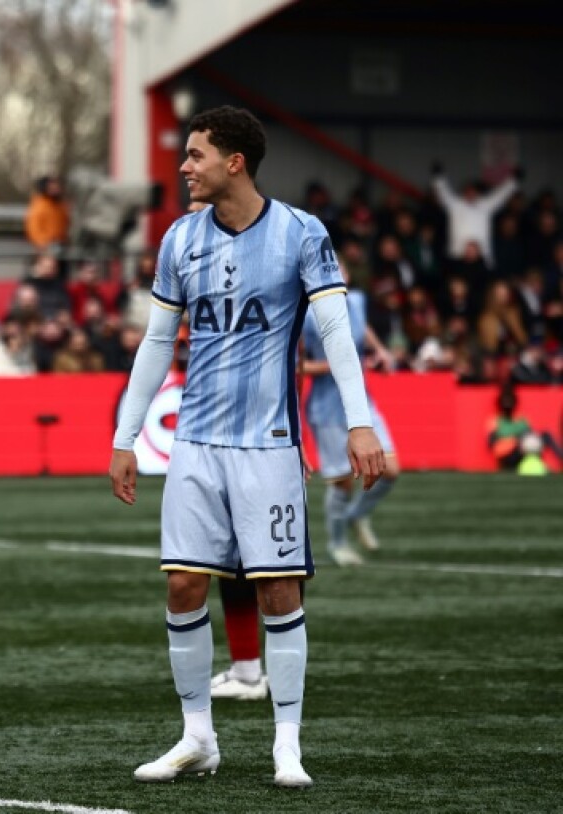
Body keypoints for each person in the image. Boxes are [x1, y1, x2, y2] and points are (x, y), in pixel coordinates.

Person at [109, 106, 385, 789]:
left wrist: (360, 421)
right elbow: (155, 343)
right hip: (197, 445)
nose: (184, 167)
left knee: (277, 592)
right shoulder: (179, 239)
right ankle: (198, 737)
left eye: (196, 155)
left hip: (268, 445)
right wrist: (125, 435)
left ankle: (286, 745)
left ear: (234, 161)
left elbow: (337, 335)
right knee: (181, 585)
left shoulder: (301, 234)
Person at [301, 269, 400, 566]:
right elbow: (296, 365)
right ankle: (337, 542)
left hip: (361, 400)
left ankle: (356, 516)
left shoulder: (354, 300)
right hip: (327, 406)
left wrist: (380, 351)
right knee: (342, 482)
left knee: (390, 470)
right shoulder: (303, 313)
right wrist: (334, 365)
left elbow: (362, 329)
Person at [431, 163, 519, 269]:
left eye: (473, 191)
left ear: (478, 193)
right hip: (457, 257)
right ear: (463, 192)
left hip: (482, 259)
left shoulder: (486, 205)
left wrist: (514, 180)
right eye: (468, 191)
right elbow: (443, 193)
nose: (471, 193)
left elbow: (501, 195)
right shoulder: (455, 205)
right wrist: (438, 176)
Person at [24, 174, 71, 252]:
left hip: (62, 244)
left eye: (57, 186)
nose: (56, 188)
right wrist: (42, 244)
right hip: (47, 246)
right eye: (53, 187)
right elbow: (34, 228)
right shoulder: (39, 205)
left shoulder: (62, 205)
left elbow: (67, 224)